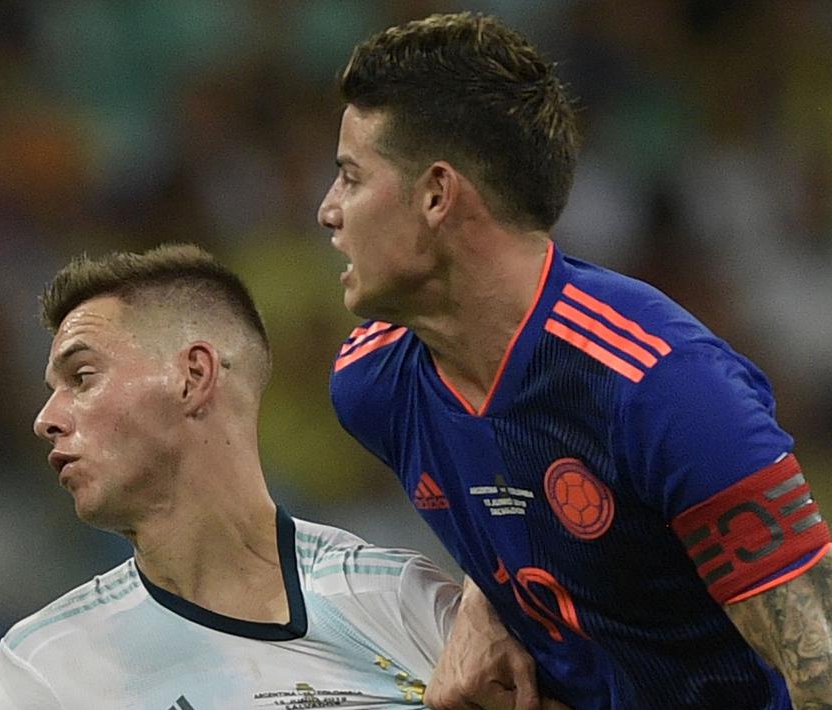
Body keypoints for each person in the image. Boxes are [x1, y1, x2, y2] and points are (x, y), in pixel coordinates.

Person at [319, 12, 832, 709]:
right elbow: (515, 498)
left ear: (437, 195)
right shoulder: (373, 385)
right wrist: (484, 598)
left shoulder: (658, 385)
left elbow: (820, 659)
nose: (327, 210)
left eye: (351, 177)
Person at [0, 244, 533, 708]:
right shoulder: (48, 665)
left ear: (194, 376)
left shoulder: (397, 601)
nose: (47, 419)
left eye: (82, 377)